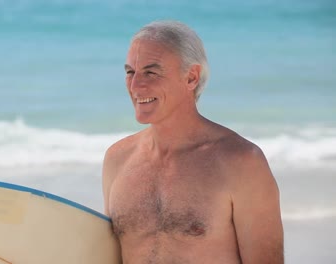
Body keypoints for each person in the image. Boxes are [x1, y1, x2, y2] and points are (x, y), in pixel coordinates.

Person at [102, 20, 284, 263]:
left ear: (191, 77)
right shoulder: (118, 159)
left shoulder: (241, 163)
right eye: (130, 72)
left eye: (151, 72)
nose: (136, 86)